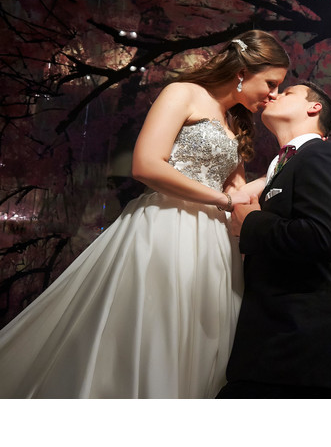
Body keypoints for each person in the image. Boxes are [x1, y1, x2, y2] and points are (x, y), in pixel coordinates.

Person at [0, 30, 290, 398]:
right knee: (153, 331)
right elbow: (147, 164)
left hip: (216, 244)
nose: (274, 94)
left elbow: (237, 190)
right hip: (165, 227)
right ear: (243, 70)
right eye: (271, 83)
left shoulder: (236, 121)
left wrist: (280, 171)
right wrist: (220, 200)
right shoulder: (182, 92)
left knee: (202, 340)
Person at [216, 81, 331, 399]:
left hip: (299, 345)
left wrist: (251, 222)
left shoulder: (323, 154)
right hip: (276, 343)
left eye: (287, 92)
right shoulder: (283, 166)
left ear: (314, 107)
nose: (274, 95)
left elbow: (321, 237)